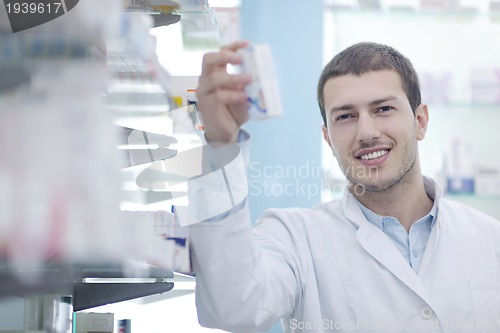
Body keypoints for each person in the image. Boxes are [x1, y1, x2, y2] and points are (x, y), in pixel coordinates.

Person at [183, 40, 500, 333]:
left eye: (383, 109)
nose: (366, 131)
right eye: (346, 116)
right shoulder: (295, 237)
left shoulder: (489, 239)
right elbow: (231, 308)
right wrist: (221, 145)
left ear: (420, 122)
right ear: (327, 138)